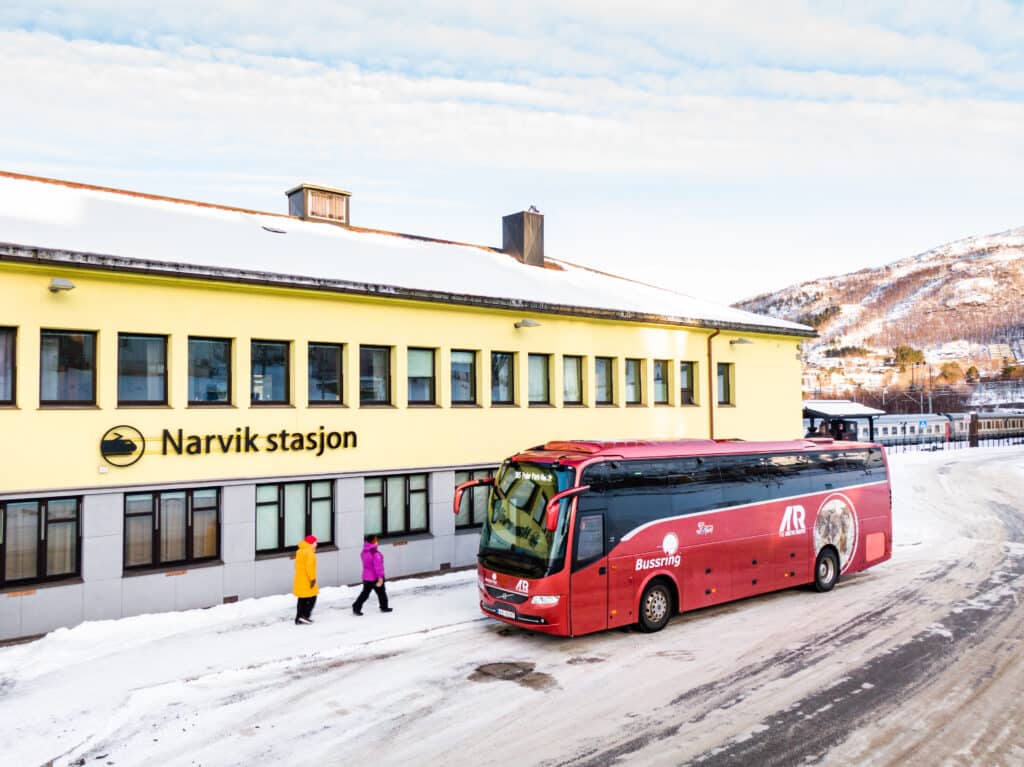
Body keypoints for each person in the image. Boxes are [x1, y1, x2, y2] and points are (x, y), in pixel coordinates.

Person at [352, 534, 393, 615]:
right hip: (375, 578)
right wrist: (380, 578)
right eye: (376, 540)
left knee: (365, 594)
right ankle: (384, 607)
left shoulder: (364, 551)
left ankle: (356, 607)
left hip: (367, 577)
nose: (377, 541)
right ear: (373, 541)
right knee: (381, 593)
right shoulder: (374, 553)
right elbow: (378, 567)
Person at [293, 534, 319, 625]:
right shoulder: (310, 553)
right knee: (313, 598)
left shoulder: (300, 551)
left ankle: (298, 618)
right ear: (312, 543)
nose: (317, 544)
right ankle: (305, 616)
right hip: (307, 580)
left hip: (300, 579)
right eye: (315, 542)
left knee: (302, 599)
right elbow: (309, 567)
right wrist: (312, 579)